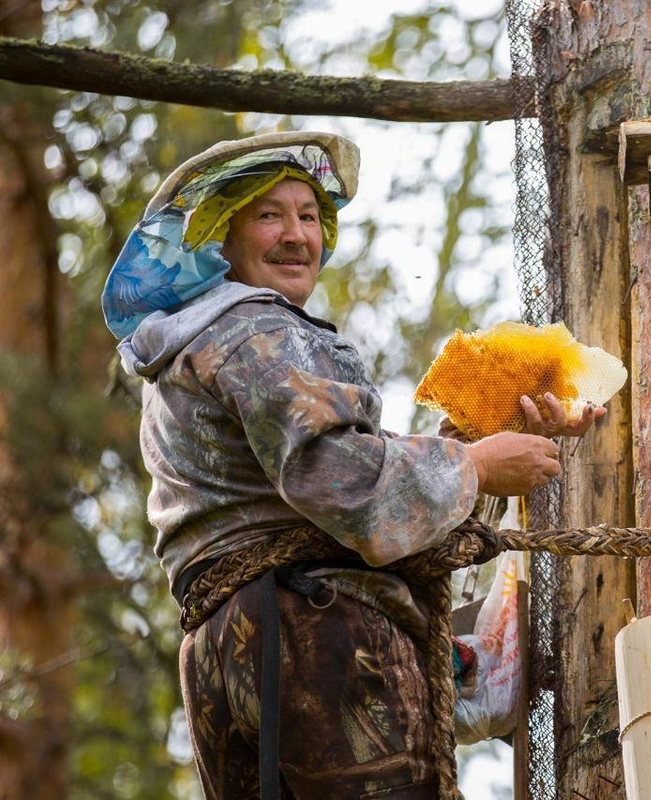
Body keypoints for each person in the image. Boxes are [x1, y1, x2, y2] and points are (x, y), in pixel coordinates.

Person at [102, 132, 603, 799]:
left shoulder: (188, 347)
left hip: (229, 650)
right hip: (310, 631)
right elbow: (344, 482)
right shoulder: (256, 328)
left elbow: (338, 488)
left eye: (308, 216)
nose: (295, 235)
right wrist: (475, 466)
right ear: (220, 238)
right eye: (268, 215)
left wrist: (483, 437)